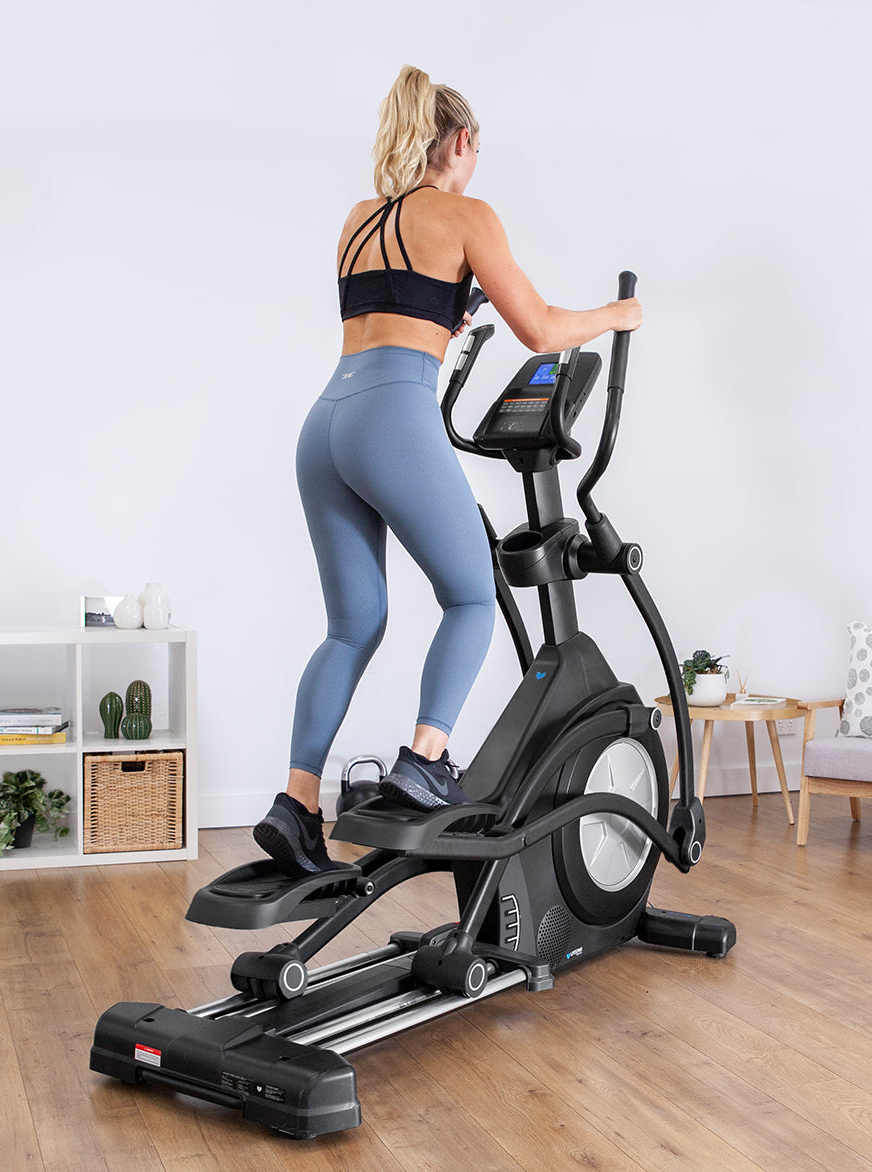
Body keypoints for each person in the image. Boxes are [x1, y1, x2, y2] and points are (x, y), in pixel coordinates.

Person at [253, 65, 643, 876]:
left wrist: (452, 313)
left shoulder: (358, 221)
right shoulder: (468, 214)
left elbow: (391, 312)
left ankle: (296, 805)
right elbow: (538, 329)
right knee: (471, 594)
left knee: (351, 626)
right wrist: (614, 316)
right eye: (476, 151)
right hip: (392, 416)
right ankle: (425, 760)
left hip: (325, 425)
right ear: (460, 142)